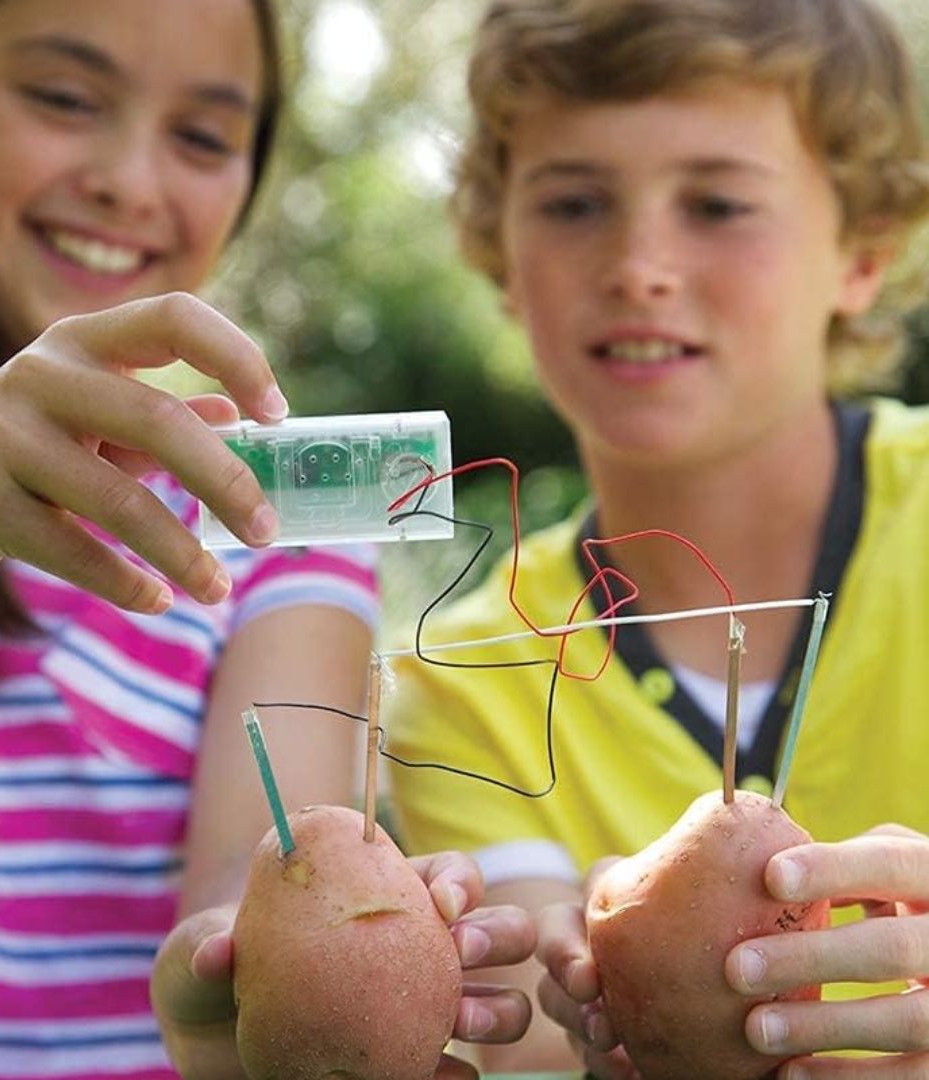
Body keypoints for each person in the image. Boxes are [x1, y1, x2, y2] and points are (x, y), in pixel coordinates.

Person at [0, 1, 533, 1077]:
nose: (131, 179)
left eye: (204, 134)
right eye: (66, 98)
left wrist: (251, 990)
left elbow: (250, 882)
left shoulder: (275, 528)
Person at [386, 0, 929, 1074]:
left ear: (862, 251)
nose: (639, 263)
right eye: (576, 201)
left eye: (720, 203)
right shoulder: (469, 679)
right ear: (502, 250)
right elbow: (536, 1053)